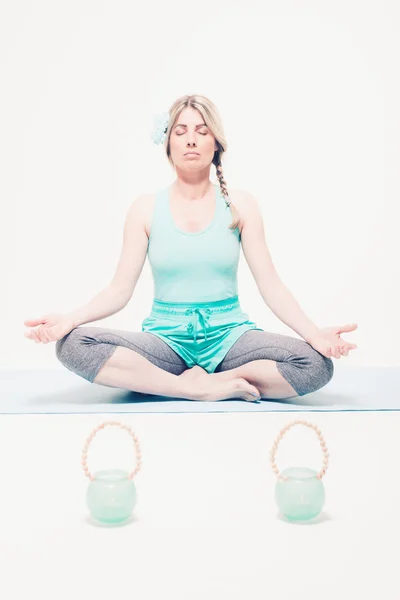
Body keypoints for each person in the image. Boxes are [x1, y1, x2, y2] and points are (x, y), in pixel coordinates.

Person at [23, 94, 358, 403]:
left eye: (201, 130)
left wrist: (315, 334)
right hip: (165, 342)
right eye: (181, 131)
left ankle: (219, 379)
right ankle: (189, 387)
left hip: (229, 337)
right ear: (168, 144)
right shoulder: (145, 208)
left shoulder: (241, 205)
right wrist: (69, 319)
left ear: (216, 143)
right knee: (73, 346)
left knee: (315, 365)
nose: (191, 139)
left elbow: (271, 285)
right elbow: (119, 290)